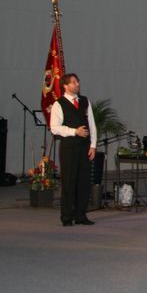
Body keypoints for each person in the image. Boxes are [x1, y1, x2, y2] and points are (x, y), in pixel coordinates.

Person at [49, 73, 97, 227]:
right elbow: (54, 128)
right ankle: (67, 216)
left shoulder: (84, 101)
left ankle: (81, 215)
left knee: (84, 182)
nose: (77, 84)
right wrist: (74, 131)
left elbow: (92, 124)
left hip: (85, 147)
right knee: (69, 181)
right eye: (74, 82)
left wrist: (93, 145)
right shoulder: (59, 104)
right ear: (65, 86)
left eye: (78, 81)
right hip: (69, 148)